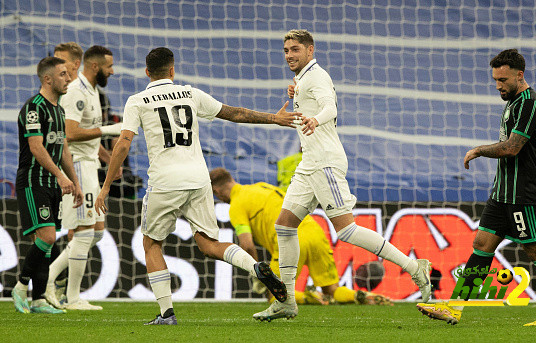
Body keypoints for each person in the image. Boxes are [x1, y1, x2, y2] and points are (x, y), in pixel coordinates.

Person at [95, 47, 301, 325]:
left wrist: (106, 185)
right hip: (198, 178)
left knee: (152, 243)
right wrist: (274, 118)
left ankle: (166, 313)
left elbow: (123, 142)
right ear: (172, 70)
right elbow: (236, 113)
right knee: (208, 243)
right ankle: (255, 267)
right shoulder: (189, 93)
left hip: (165, 180)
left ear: (147, 72)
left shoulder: (137, 100)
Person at [252, 30, 432, 321]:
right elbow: (315, 103)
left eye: (295, 49)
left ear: (310, 50)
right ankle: (286, 300)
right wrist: (298, 99)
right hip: (308, 163)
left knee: (346, 230)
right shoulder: (303, 80)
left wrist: (314, 117)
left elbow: (330, 107)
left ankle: (414, 267)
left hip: (325, 163)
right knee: (284, 227)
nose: (289, 55)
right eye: (285, 50)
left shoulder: (317, 76)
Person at [417, 49, 536, 327]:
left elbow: (512, 148)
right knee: (482, 245)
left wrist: (478, 150)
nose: (498, 85)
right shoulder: (512, 102)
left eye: (503, 79)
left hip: (522, 195)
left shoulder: (531, 103)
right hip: (502, 194)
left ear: (519, 75)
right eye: (495, 79)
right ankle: (456, 307)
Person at [210, 167, 393, 306]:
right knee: (332, 289)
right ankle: (359, 296)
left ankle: (308, 296)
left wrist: (258, 275)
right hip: (314, 231)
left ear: (216, 192)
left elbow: (247, 245)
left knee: (274, 295)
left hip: (288, 238)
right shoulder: (261, 187)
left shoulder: (236, 206)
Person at [44, 45, 123, 311]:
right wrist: (110, 128)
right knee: (84, 233)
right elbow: (71, 133)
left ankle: (49, 283)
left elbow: (88, 133)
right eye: (109, 66)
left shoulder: (92, 91)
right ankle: (69, 295)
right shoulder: (77, 91)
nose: (112, 71)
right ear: (94, 66)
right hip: (76, 167)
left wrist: (108, 158)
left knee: (96, 233)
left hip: (90, 166)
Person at [11, 56, 83, 314]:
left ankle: (39, 298)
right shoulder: (34, 107)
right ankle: (20, 286)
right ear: (48, 79)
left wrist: (74, 182)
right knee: (47, 236)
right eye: (63, 74)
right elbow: (36, 147)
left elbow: (62, 148)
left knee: (48, 242)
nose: (69, 78)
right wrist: (62, 177)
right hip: (33, 180)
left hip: (53, 182)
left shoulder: (59, 109)